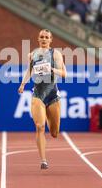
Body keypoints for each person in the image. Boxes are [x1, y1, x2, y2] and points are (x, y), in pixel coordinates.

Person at [18, 29, 67, 169]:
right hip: (38, 94)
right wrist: (23, 84)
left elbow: (64, 74)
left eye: (47, 37)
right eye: (42, 37)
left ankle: (50, 121)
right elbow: (29, 71)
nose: (44, 39)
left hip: (52, 95)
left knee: (54, 132)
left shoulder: (56, 54)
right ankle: (43, 160)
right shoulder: (32, 55)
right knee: (40, 126)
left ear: (51, 40)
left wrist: (52, 70)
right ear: (38, 39)